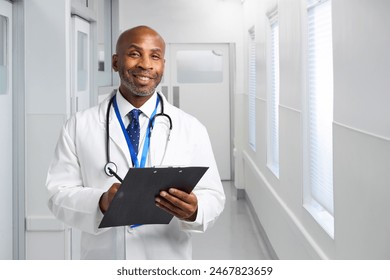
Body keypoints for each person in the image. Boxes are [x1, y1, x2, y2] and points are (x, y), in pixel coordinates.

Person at [46, 25, 225, 259]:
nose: (146, 64)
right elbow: (57, 194)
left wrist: (195, 210)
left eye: (155, 56)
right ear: (115, 62)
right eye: (134, 54)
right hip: (103, 258)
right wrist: (100, 202)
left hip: (167, 259)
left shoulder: (191, 128)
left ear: (163, 66)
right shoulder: (79, 126)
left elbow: (214, 195)